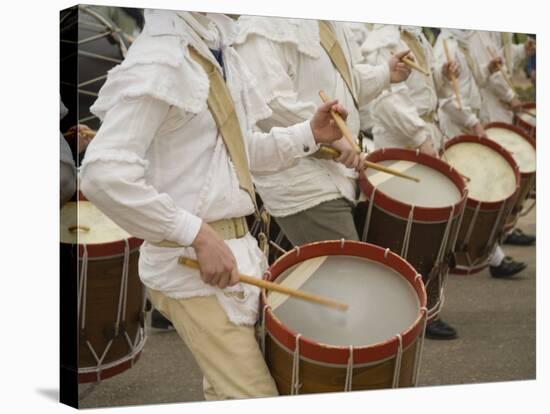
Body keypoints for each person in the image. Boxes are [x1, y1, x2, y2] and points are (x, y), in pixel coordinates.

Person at [79, 9, 349, 400]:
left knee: (226, 392)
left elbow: (239, 151)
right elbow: (103, 174)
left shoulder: (211, 49)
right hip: (193, 268)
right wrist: (197, 234)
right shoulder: (161, 59)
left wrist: (308, 133)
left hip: (236, 258)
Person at [233, 17, 411, 246]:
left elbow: (345, 85)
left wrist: (385, 73)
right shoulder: (260, 23)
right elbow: (269, 104)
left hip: (342, 174)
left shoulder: (329, 22)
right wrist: (333, 140)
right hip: (304, 183)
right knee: (349, 275)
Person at [362, 24, 459, 339]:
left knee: (429, 233)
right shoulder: (382, 39)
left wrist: (444, 76)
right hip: (403, 146)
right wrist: (421, 139)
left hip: (424, 136)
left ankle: (425, 310)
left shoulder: (418, 38)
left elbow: (433, 94)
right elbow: (387, 101)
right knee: (407, 236)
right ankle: (406, 313)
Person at [432, 29, 526, 278]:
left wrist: (488, 70)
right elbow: (446, 100)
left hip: (469, 122)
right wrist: (473, 122)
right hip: (456, 127)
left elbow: (476, 83)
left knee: (471, 195)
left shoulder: (463, 42)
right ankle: (487, 257)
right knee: (468, 195)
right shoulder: (446, 48)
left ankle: (489, 255)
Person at [467, 31, 536, 246]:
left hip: (501, 105)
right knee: (499, 175)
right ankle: (496, 237)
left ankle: (505, 229)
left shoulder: (496, 31)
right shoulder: (477, 33)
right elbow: (493, 75)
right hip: (491, 105)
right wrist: (511, 97)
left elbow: (503, 59)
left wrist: (522, 51)